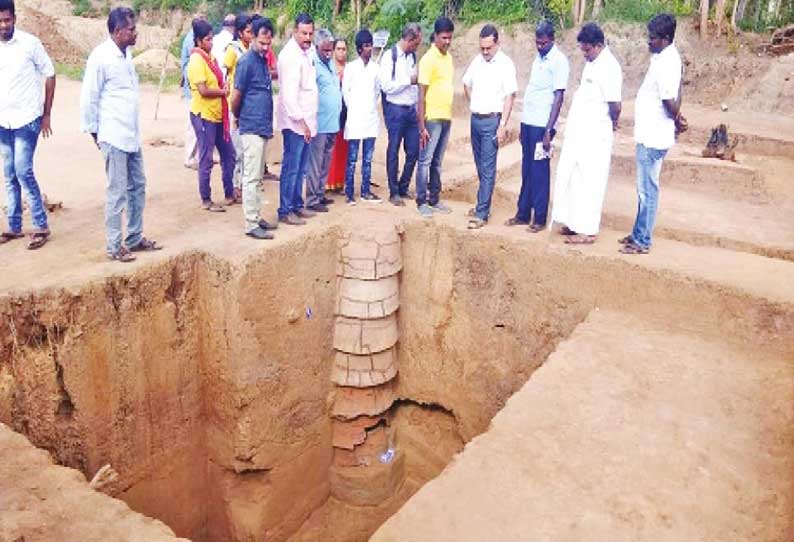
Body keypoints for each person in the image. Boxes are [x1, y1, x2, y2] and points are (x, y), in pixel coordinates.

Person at [80, 7, 162, 262]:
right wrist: (96, 134)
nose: (135, 33)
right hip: (113, 135)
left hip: (131, 135)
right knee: (117, 192)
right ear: (117, 32)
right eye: (131, 29)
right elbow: (88, 98)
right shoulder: (101, 58)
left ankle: (134, 238)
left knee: (138, 186)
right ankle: (114, 246)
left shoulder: (125, 55)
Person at [550, 22, 622, 244]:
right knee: (574, 179)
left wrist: (612, 123)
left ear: (599, 45)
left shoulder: (610, 67)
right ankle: (573, 224)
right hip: (580, 135)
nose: (584, 53)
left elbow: (615, 105)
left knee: (591, 182)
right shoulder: (593, 62)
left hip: (595, 136)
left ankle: (587, 230)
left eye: (587, 49)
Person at [620, 13, 684, 255]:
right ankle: (638, 231)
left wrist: (678, 117)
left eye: (653, 38)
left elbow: (671, 103)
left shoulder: (668, 62)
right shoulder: (662, 57)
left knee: (648, 190)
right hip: (649, 133)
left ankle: (642, 240)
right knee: (644, 189)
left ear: (665, 39)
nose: (648, 41)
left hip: (654, 136)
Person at [0, 0, 55, 250]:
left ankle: (41, 225)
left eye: (7, 20)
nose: (3, 25)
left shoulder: (30, 44)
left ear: (14, 18)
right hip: (3, 121)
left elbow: (50, 74)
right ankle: (13, 226)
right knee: (9, 173)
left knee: (23, 170)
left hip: (27, 120)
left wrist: (46, 115)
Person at [507, 20, 569, 233]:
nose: (540, 46)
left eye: (543, 43)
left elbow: (558, 96)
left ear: (552, 40)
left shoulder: (559, 61)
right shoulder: (538, 58)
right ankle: (523, 213)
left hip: (543, 125)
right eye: (537, 43)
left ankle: (540, 218)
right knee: (527, 170)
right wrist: (523, 125)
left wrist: (549, 130)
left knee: (540, 172)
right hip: (529, 122)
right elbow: (533, 92)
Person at [461, 23, 517, 228]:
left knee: (488, 167)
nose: (485, 52)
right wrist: (474, 103)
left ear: (497, 44)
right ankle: (481, 204)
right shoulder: (477, 61)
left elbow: (510, 96)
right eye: (482, 48)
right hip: (475, 119)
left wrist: (502, 125)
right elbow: (466, 83)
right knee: (479, 164)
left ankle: (482, 213)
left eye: (488, 48)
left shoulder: (505, 64)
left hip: (492, 121)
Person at [231, 17, 278, 240]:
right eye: (262, 42)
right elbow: (236, 96)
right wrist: (238, 117)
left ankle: (256, 216)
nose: (266, 47)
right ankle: (251, 223)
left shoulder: (262, 60)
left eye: (269, 43)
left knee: (258, 175)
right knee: (251, 176)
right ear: (252, 38)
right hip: (251, 126)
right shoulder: (246, 62)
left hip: (262, 126)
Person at [187, 18, 236, 212]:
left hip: (216, 114)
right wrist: (222, 92)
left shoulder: (210, 57)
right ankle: (206, 199)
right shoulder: (196, 60)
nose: (211, 42)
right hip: (204, 114)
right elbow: (203, 90)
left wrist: (222, 88)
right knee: (206, 158)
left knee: (229, 154)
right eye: (207, 39)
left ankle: (229, 192)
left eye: (211, 38)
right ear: (199, 41)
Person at [277, 13, 318, 225]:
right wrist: (302, 122)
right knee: (292, 167)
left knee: (301, 168)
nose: (308, 37)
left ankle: (295, 205)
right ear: (294, 31)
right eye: (304, 33)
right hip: (295, 124)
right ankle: (285, 210)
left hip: (307, 122)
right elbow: (289, 95)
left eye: (311, 33)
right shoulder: (290, 56)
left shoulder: (307, 51)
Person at [415, 17, 455, 219]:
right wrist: (422, 126)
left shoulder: (448, 58)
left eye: (450, 38)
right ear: (436, 36)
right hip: (431, 119)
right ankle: (421, 201)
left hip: (446, 117)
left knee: (437, 162)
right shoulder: (428, 59)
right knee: (425, 161)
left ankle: (434, 199)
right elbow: (421, 95)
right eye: (444, 38)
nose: (447, 42)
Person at [379, 23, 422, 207]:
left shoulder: (412, 55)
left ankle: (403, 186)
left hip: (410, 110)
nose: (417, 47)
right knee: (394, 150)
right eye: (416, 43)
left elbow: (416, 84)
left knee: (413, 151)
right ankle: (394, 191)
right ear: (409, 39)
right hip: (395, 110)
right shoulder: (390, 57)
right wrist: (408, 81)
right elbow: (386, 86)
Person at [342, 29, 382, 205]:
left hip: (370, 118)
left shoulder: (376, 68)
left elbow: (377, 92)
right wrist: (355, 108)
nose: (369, 48)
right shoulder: (350, 68)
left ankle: (365, 191)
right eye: (366, 46)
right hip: (355, 119)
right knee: (351, 159)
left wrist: (370, 106)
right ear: (359, 49)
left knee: (367, 159)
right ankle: (349, 193)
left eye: (370, 45)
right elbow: (345, 91)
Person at [305, 28, 342, 213]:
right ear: (317, 46)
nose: (328, 53)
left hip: (332, 122)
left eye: (330, 50)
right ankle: (311, 199)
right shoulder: (313, 64)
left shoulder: (331, 63)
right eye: (325, 50)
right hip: (319, 123)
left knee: (326, 160)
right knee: (315, 161)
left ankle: (319, 194)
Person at [225, 13, 253, 203]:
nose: (252, 34)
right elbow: (226, 76)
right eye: (249, 31)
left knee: (245, 148)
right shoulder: (233, 51)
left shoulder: (249, 49)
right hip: (234, 103)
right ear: (241, 32)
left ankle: (242, 183)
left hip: (246, 104)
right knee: (237, 149)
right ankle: (235, 185)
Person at [180, 13, 206, 170]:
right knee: (192, 123)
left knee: (198, 122)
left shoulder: (193, 37)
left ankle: (196, 156)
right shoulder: (192, 40)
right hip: (193, 88)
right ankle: (189, 157)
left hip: (194, 86)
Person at [325, 37, 348, 192]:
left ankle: (340, 182)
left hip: (346, 114)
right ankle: (327, 182)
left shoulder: (351, 69)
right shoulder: (328, 68)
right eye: (338, 49)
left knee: (342, 148)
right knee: (330, 150)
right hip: (331, 114)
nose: (341, 52)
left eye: (344, 49)